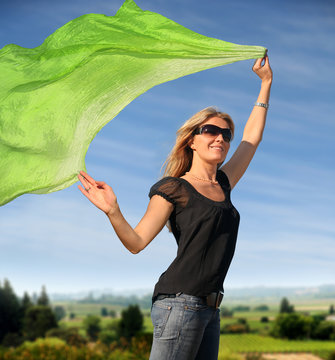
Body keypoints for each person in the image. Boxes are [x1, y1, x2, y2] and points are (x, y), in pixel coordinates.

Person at [78, 55, 273, 360]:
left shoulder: (223, 183)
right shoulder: (174, 188)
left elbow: (252, 138)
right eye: (210, 131)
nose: (220, 138)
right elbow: (137, 242)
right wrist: (113, 211)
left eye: (225, 134)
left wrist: (265, 83)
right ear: (192, 140)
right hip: (179, 304)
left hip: (211, 309)